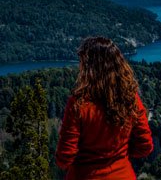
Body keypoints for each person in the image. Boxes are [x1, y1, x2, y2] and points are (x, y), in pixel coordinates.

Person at [56, 37, 153, 179]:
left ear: (88, 68)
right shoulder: (130, 99)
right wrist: (120, 154)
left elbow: (64, 158)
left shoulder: (78, 104)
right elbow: (145, 146)